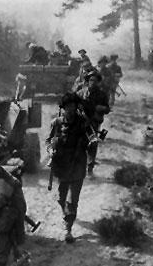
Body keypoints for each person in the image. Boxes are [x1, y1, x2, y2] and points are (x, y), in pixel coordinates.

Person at [46, 92, 88, 243]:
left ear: (77, 107)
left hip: (77, 163)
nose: (70, 109)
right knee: (61, 198)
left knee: (72, 200)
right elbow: (48, 140)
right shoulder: (56, 123)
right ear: (63, 108)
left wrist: (91, 141)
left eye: (73, 106)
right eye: (67, 107)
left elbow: (92, 137)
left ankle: (68, 229)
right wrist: (51, 150)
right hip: (61, 164)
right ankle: (67, 216)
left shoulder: (83, 122)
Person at [76, 71, 110, 177]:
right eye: (91, 80)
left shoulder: (102, 95)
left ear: (98, 82)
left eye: (95, 81)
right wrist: (78, 109)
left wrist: (101, 108)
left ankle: (90, 168)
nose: (93, 82)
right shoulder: (81, 93)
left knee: (93, 144)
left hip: (94, 122)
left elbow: (107, 109)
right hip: (81, 121)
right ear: (87, 81)